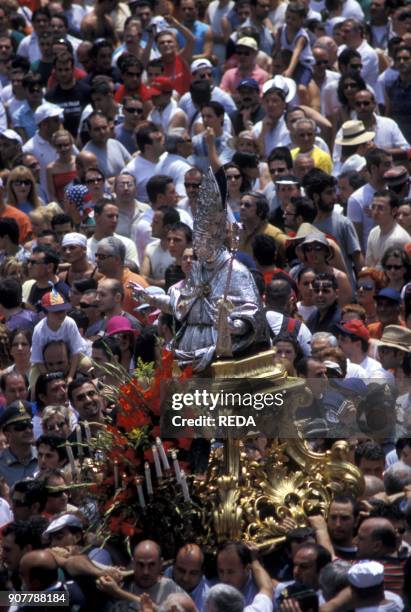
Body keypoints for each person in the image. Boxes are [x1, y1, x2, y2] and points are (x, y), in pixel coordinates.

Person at [30, 290, 86, 384]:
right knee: (33, 383)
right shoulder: (39, 329)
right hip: (45, 363)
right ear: (46, 313)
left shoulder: (70, 323)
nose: (61, 314)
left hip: (71, 357)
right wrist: (50, 379)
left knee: (87, 365)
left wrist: (70, 377)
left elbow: (75, 352)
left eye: (63, 310)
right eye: (56, 312)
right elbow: (38, 360)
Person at [94, 236, 148, 317]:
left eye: (101, 257)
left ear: (117, 259)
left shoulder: (136, 285)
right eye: (96, 256)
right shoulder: (100, 283)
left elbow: (147, 320)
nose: (96, 260)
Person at [87, 198, 139, 265]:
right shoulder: (85, 247)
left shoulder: (127, 244)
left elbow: (134, 272)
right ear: (96, 217)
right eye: (110, 216)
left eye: (117, 216)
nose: (115, 220)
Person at [366, 191, 410, 268]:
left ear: (394, 211)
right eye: (373, 207)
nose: (375, 212)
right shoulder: (373, 232)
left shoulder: (399, 239)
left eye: (380, 208)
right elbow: (369, 265)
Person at [124, 122, 165, 203]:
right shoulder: (131, 170)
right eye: (159, 140)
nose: (163, 141)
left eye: (162, 137)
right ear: (148, 147)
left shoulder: (167, 159)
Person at [81, 112, 131, 179]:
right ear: (90, 132)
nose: (102, 132)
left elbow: (130, 166)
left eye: (104, 127)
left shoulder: (116, 144)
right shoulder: (86, 155)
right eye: (97, 129)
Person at [0, 402, 38, 487]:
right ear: (7, 433)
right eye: (21, 426)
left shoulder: (44, 458)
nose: (28, 430)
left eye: (29, 425)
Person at [46, 129, 77, 205]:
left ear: (71, 144)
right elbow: (52, 195)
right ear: (55, 147)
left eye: (66, 145)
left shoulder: (79, 162)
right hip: (62, 208)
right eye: (59, 146)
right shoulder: (50, 168)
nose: (63, 149)